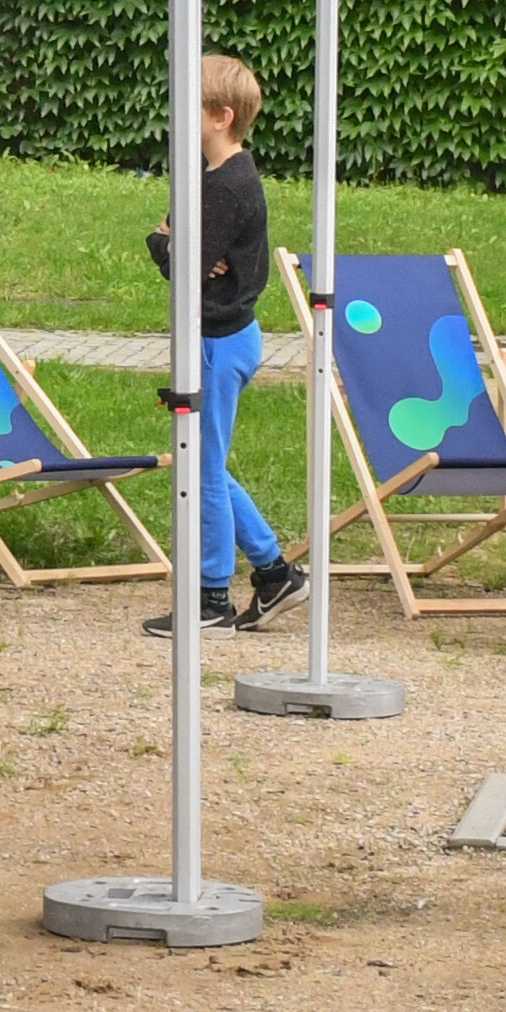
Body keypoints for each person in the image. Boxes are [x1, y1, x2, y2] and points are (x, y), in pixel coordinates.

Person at [145, 51, 298, 635]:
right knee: (205, 461)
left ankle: (212, 596)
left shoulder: (228, 187)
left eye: (189, 104)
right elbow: (181, 246)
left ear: (220, 116)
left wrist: (166, 246)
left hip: (220, 343)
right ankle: (274, 571)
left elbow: (182, 260)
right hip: (225, 337)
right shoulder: (211, 179)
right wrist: (173, 243)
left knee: (202, 468)